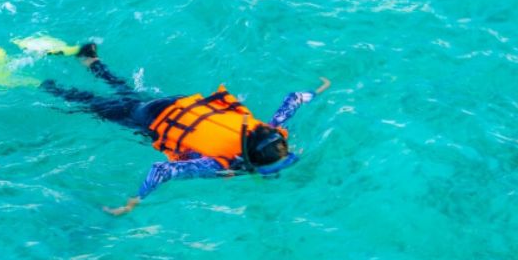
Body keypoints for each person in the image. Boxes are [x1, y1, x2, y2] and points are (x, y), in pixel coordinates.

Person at [38, 43, 329, 215]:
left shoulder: (268, 132)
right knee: (88, 103)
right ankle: (40, 83)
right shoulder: (217, 162)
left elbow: (294, 98)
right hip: (150, 119)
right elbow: (161, 169)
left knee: (126, 92)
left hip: (179, 105)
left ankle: (90, 58)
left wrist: (318, 89)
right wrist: (135, 201)